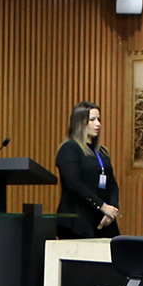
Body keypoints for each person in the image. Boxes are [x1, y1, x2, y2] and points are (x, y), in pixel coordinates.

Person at [55, 101, 120, 238]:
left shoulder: (102, 151)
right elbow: (73, 183)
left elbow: (112, 184)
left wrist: (112, 210)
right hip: (77, 222)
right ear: (80, 122)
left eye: (99, 119)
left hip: (103, 220)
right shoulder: (69, 148)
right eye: (92, 120)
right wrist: (102, 206)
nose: (98, 124)